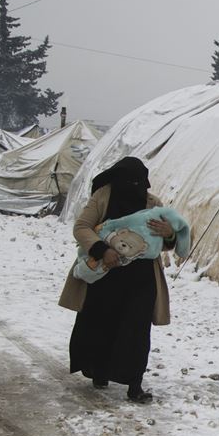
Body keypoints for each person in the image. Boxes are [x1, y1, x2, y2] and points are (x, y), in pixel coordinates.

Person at [58, 157, 181, 402]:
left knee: (136, 329)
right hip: (106, 276)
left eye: (139, 182)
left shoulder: (152, 203)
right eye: (129, 182)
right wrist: (103, 250)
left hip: (142, 279)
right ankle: (99, 371)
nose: (135, 187)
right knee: (102, 324)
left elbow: (166, 240)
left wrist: (170, 235)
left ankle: (134, 384)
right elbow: (82, 226)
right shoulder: (103, 196)